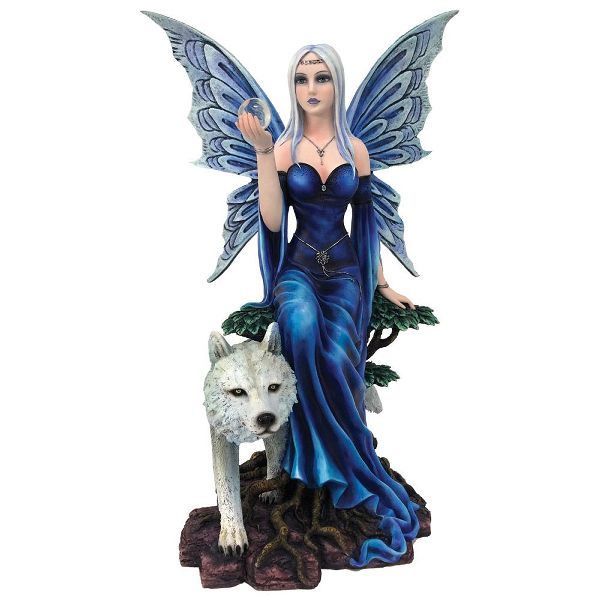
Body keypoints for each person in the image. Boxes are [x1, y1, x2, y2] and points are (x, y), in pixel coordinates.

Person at [236, 45, 422, 568]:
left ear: (337, 84)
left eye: (321, 78)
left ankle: (344, 464)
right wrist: (262, 153)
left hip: (343, 273)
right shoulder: (282, 147)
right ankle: (302, 461)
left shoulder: (354, 148)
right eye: (301, 79)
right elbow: (273, 222)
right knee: (297, 324)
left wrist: (381, 282)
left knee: (339, 356)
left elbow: (368, 221)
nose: (311, 88)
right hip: (298, 269)